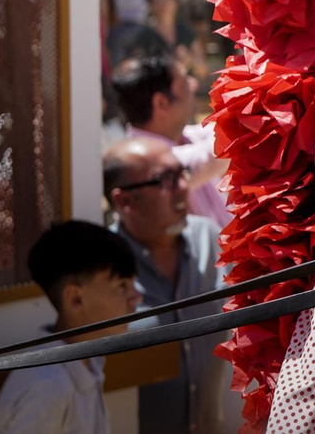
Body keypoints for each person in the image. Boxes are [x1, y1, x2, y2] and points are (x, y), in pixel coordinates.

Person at [103, 137, 235, 434]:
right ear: (124, 201)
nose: (184, 187)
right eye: (165, 180)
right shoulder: (101, 272)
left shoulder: (211, 240)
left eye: (182, 173)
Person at [0, 221, 141, 434]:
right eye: (121, 286)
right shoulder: (47, 385)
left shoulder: (90, 360)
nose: (137, 296)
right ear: (75, 299)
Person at [111, 56, 229, 228]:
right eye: (184, 83)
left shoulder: (186, 137)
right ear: (162, 103)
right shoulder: (141, 166)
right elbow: (221, 147)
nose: (194, 84)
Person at [146, 0, 205, 82]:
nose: (163, 4)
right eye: (158, 0)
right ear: (151, 5)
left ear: (176, 2)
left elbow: (202, 70)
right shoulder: (144, 35)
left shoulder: (186, 32)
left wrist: (189, 59)